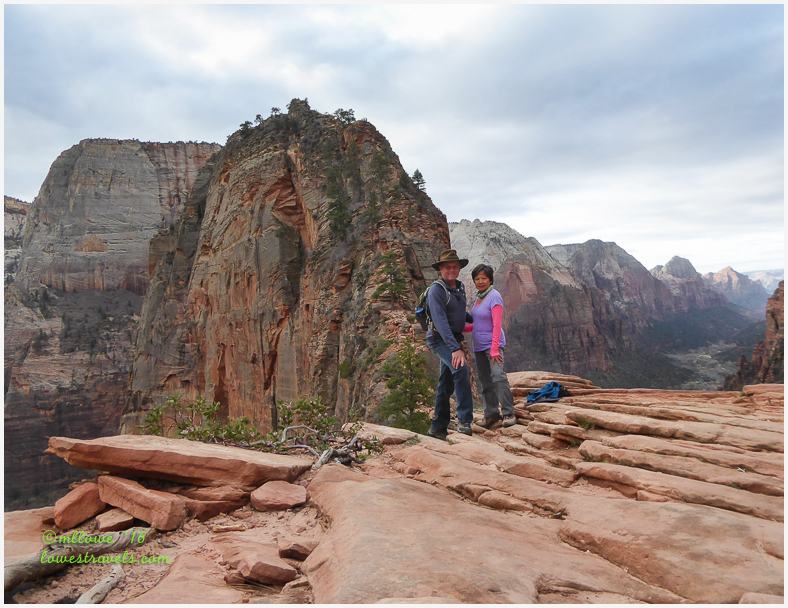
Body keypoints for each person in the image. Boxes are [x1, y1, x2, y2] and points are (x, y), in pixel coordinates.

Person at [425, 249, 475, 439]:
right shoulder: (437, 290)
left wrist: (477, 318)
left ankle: (438, 426)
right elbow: (440, 321)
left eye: (454, 267)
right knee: (461, 369)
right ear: (441, 269)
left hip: (453, 338)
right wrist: (455, 348)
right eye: (447, 267)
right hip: (439, 339)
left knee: (445, 382)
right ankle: (464, 420)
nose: (451, 270)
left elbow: (461, 313)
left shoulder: (459, 287)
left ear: (459, 268)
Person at [470, 263, 516, 428]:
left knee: (498, 377)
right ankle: (491, 415)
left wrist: (495, 347)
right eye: (477, 278)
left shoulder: (494, 296)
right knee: (485, 381)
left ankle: (508, 413)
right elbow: (475, 323)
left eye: (484, 278)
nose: (480, 281)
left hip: (492, 345)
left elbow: (497, 324)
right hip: (479, 346)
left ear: (490, 279)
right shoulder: (478, 297)